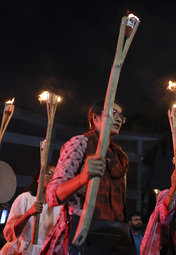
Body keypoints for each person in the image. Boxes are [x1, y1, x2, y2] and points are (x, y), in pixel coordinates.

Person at [40, 100, 131, 254]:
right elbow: (52, 195)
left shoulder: (120, 159)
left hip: (109, 236)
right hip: (79, 234)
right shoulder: (80, 143)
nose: (117, 119)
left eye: (120, 116)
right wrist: (83, 177)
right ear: (95, 118)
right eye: (112, 113)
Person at [0, 164, 61, 255]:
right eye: (49, 173)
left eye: (56, 174)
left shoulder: (59, 206)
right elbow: (9, 235)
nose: (52, 176)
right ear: (38, 178)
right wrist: (28, 213)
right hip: (19, 251)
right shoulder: (25, 198)